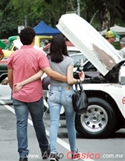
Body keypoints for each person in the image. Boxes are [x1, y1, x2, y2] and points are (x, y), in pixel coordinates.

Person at [14, 35, 85, 161]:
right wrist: (80, 79)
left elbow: (40, 74)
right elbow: (69, 80)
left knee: (54, 124)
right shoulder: (69, 60)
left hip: (53, 93)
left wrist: (21, 83)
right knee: (70, 124)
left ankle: (53, 152)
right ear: (64, 45)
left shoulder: (48, 59)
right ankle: (74, 152)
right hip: (67, 93)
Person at [7, 27, 68, 161]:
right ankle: (44, 150)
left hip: (19, 95)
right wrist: (68, 79)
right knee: (38, 123)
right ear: (34, 39)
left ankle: (23, 155)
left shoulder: (14, 55)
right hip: (35, 95)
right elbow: (49, 73)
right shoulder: (39, 54)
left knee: (21, 124)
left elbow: (10, 77)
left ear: (21, 40)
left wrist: (14, 89)